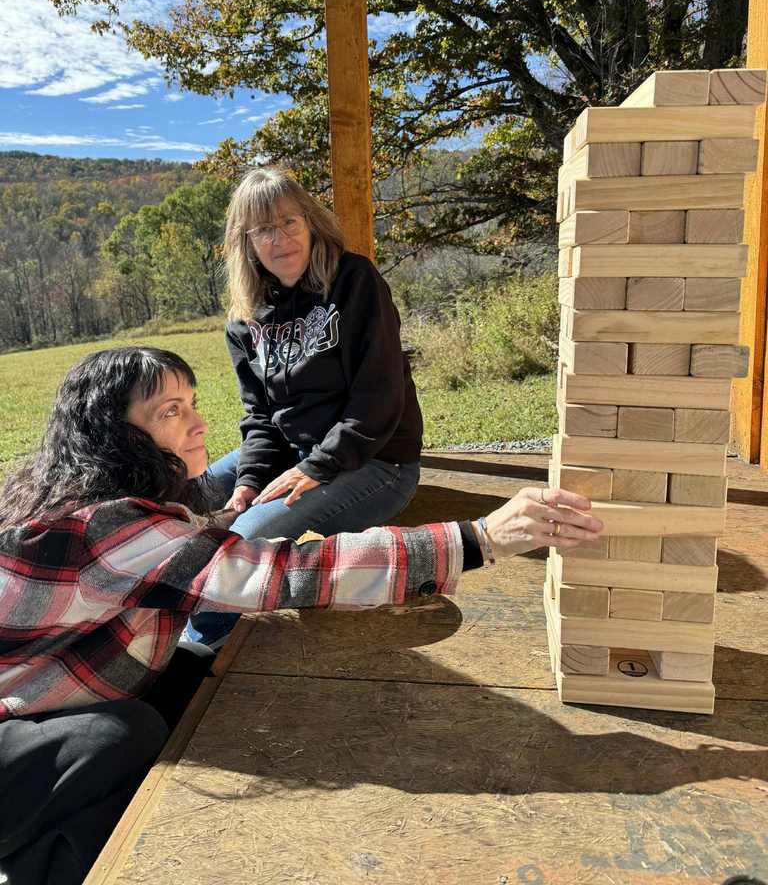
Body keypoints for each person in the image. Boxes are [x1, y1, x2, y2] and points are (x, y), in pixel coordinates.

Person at [0, 345, 602, 885]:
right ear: (115, 437)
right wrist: (478, 538)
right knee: (119, 738)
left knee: (192, 667)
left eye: (191, 403)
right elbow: (292, 573)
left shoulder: (82, 492)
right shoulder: (108, 526)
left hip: (38, 693)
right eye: (169, 412)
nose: (199, 422)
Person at [187, 166, 425, 647]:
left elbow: (379, 399)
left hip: (376, 463)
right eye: (263, 230)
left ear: (311, 223)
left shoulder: (354, 281)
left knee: (244, 540)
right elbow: (261, 419)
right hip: (295, 457)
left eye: (289, 223)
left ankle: (195, 648)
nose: (279, 240)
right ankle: (139, 603)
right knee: (181, 496)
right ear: (246, 243)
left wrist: (315, 467)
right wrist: (250, 481)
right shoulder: (245, 320)